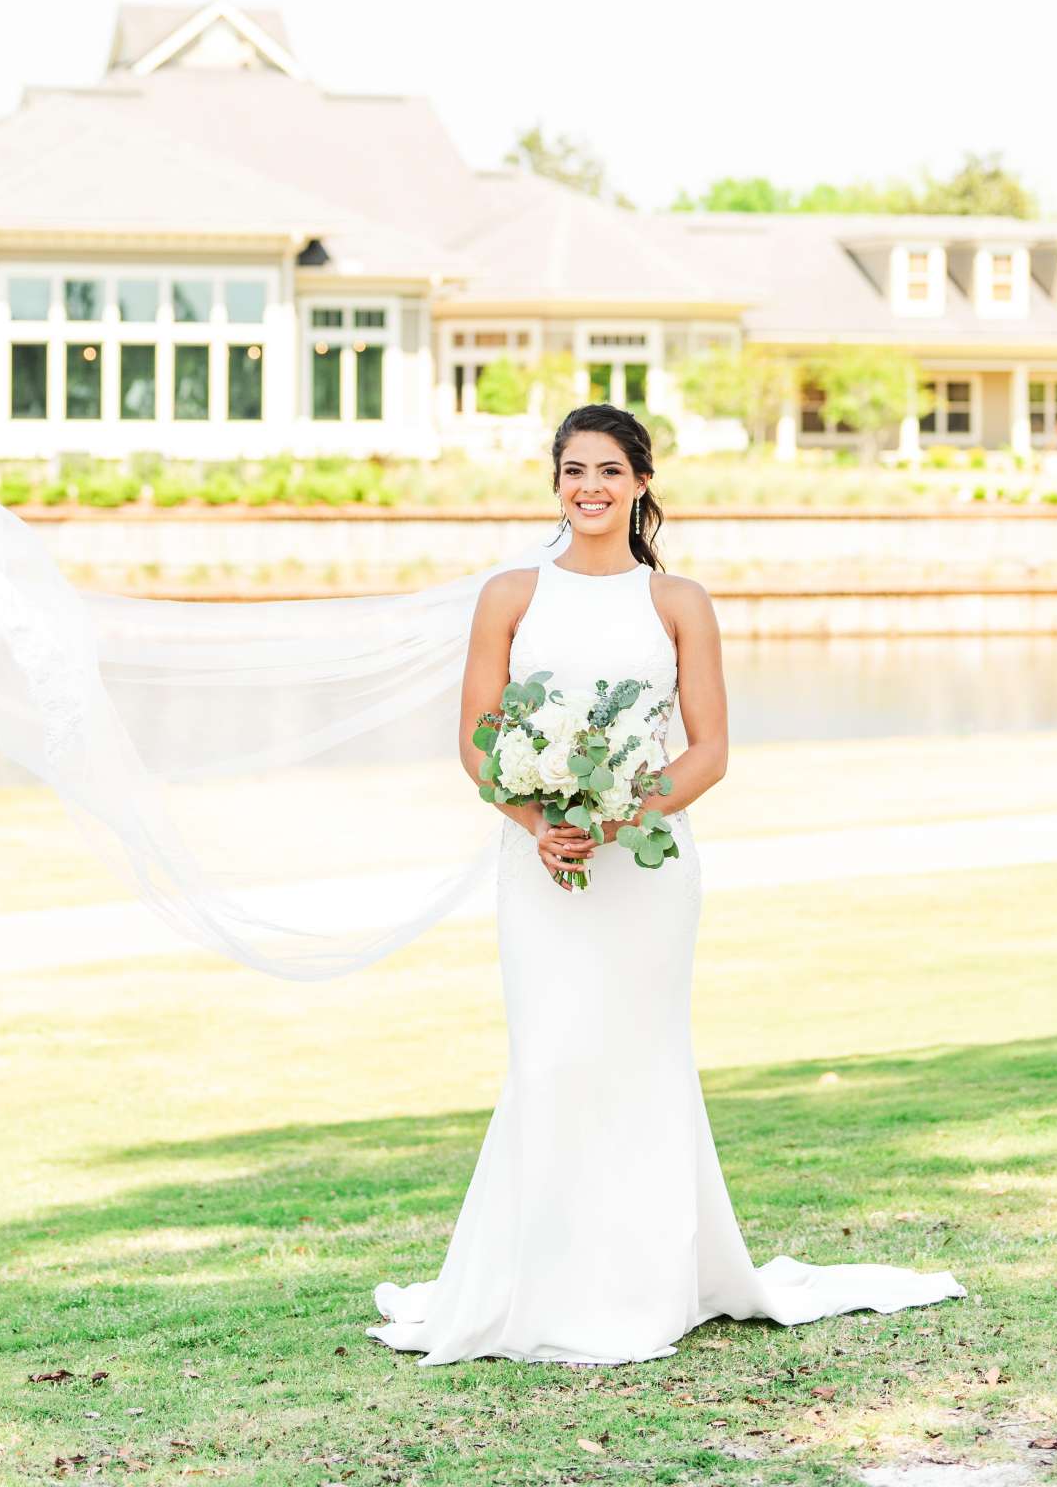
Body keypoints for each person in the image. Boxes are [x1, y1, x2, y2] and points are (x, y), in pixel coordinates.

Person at [367, 403, 966, 1366]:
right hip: (540, 869)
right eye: (572, 471)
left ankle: (646, 1283)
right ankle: (538, 1282)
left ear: (641, 482)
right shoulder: (510, 596)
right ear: (553, 482)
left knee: (640, 1061)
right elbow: (479, 743)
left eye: (608, 471)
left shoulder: (677, 601)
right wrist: (539, 826)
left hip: (645, 871)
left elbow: (711, 750)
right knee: (552, 1059)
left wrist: (616, 818)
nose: (589, 488)